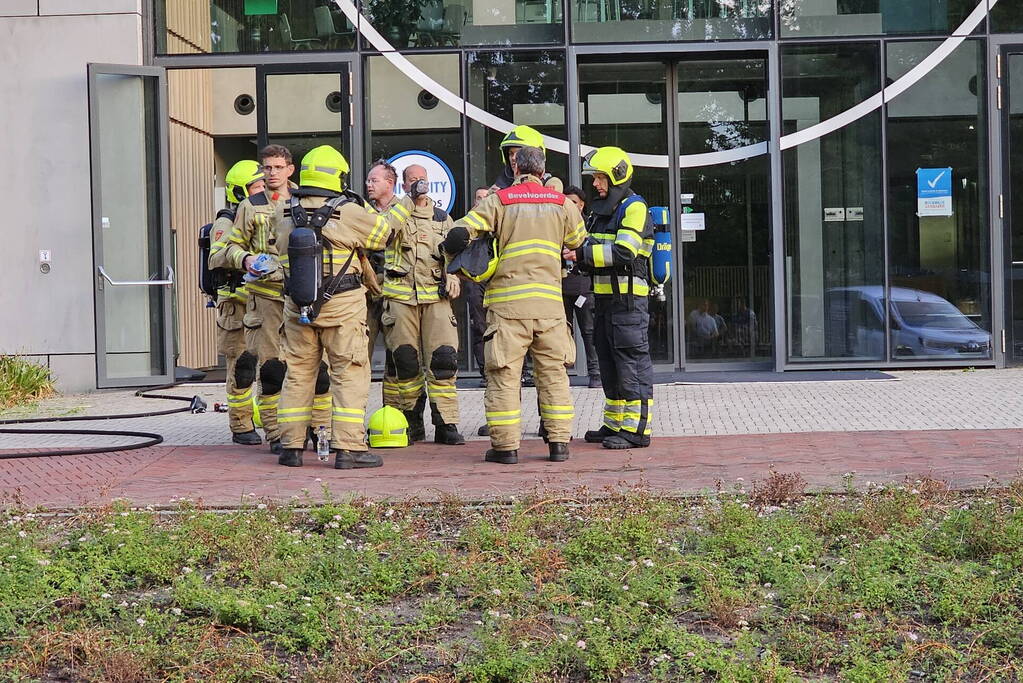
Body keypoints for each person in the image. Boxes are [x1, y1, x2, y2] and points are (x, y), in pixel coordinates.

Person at [274, 145, 415, 469]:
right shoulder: (347, 211)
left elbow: (277, 250)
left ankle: (291, 447)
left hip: (297, 308)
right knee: (349, 374)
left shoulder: (283, 211)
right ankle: (349, 449)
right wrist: (403, 206)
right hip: (342, 307)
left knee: (297, 375)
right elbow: (382, 235)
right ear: (337, 177)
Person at [447, 146, 587, 464]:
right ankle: (559, 444)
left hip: (508, 308)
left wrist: (455, 253)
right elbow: (578, 240)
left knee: (504, 377)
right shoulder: (562, 203)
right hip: (550, 308)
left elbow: (461, 231)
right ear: (542, 170)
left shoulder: (500, 200)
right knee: (553, 376)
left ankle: (506, 447)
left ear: (515, 169)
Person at [222, 144, 331, 455]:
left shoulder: (304, 200)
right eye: (267, 168)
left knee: (317, 370)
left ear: (290, 170)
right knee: (272, 371)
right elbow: (230, 247)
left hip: (302, 296)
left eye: (278, 167)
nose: (272, 173)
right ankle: (276, 434)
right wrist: (246, 260)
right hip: (266, 299)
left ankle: (320, 430)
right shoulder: (250, 206)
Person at [564, 146, 654, 450]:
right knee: (609, 364)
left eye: (600, 177)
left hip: (628, 303)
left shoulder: (633, 207)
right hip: (603, 301)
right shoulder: (601, 211)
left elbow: (624, 252)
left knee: (631, 365)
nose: (595, 183)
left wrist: (582, 254)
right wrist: (576, 254)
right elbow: (591, 246)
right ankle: (615, 423)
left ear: (617, 175)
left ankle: (637, 430)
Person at [378, 164, 465, 446]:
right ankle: (412, 421)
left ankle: (446, 423)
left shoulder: (442, 217)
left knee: (444, 361)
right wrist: (407, 202)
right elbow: (382, 235)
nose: (419, 184)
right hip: (401, 299)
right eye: (413, 180)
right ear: (404, 185)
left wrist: (454, 276)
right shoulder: (393, 213)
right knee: (405, 362)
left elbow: (455, 253)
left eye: (422, 179)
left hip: (436, 299)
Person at [207, 160, 265, 446]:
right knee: (242, 367)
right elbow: (215, 257)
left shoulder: (265, 214)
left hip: (264, 304)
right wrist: (244, 258)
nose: (263, 190)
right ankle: (241, 425)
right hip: (236, 306)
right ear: (241, 191)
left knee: (272, 366)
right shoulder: (226, 222)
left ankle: (273, 423)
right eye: (257, 186)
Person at [561, 185, 601, 389]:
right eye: (566, 202)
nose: (569, 205)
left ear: (582, 205)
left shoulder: (590, 224)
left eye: (573, 202)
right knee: (561, 333)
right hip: (560, 286)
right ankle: (561, 376)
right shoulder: (555, 223)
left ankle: (596, 373)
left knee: (589, 330)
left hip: (583, 286)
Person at [365, 159, 399, 391]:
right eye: (368, 180)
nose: (369, 185)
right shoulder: (361, 211)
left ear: (389, 183)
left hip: (395, 293)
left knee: (397, 358)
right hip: (366, 293)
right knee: (358, 355)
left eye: (374, 180)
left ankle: (394, 410)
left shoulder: (405, 211)